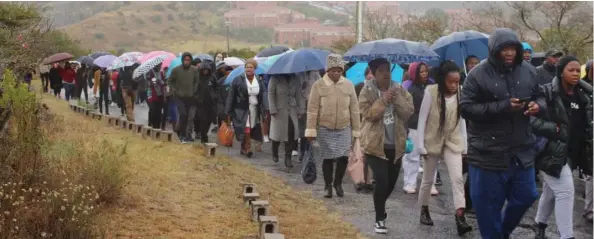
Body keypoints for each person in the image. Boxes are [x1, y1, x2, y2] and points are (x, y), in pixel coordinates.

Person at [460, 28, 543, 239]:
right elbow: (466, 108)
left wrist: (537, 106)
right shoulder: (477, 74)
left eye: (512, 49)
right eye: (503, 49)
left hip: (521, 149)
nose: (509, 53)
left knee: (527, 195)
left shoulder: (529, 71)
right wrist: (502, 107)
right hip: (488, 151)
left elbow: (542, 97)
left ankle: (502, 233)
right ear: (494, 50)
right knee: (487, 208)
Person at [531, 56, 592, 239]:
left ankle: (539, 225)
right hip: (551, 151)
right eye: (570, 70)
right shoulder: (547, 92)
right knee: (566, 191)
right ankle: (567, 236)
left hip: (574, 152)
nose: (575, 73)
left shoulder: (584, 95)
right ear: (561, 72)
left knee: (551, 191)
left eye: (577, 70)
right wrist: (553, 128)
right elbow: (531, 120)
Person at [415, 60, 472, 235]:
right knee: (427, 179)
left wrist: (465, 145)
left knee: (457, 179)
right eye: (451, 82)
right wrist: (420, 146)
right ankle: (424, 209)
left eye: (457, 82)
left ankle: (460, 217)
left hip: (452, 141)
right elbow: (422, 119)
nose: (455, 85)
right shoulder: (431, 92)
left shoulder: (461, 94)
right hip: (432, 140)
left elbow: (462, 120)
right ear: (442, 80)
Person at [358, 58, 413, 234]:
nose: (386, 74)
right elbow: (368, 114)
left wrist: (395, 98)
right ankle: (379, 218)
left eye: (387, 70)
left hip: (395, 145)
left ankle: (380, 206)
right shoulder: (367, 90)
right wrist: (383, 100)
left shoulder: (399, 88)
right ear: (373, 73)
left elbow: (407, 113)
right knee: (381, 182)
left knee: (390, 184)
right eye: (381, 71)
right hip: (375, 145)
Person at [305, 54, 361, 199]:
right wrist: (311, 129)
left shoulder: (348, 85)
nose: (336, 73)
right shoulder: (318, 85)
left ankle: (338, 183)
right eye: (333, 70)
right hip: (325, 127)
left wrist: (356, 130)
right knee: (328, 158)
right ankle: (328, 185)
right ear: (327, 70)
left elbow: (354, 109)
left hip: (344, 127)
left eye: (339, 70)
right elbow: (312, 109)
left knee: (343, 157)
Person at [402, 61, 438, 195]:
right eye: (421, 71)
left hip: (431, 126)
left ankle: (430, 184)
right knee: (412, 156)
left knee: (432, 155)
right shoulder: (408, 88)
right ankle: (409, 183)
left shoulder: (433, 86)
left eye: (425, 71)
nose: (424, 74)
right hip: (414, 126)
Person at [225, 59, 265, 157]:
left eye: (251, 67)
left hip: (254, 108)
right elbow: (231, 96)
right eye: (247, 67)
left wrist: (265, 107)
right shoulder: (238, 80)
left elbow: (263, 94)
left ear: (255, 69)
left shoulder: (259, 80)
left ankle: (243, 147)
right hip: (241, 109)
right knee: (246, 127)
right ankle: (248, 148)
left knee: (251, 127)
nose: (248, 69)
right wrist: (228, 110)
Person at [268, 74, 304, 168]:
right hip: (279, 110)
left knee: (291, 133)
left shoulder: (296, 78)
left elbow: (299, 95)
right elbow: (271, 94)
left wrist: (301, 109)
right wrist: (272, 108)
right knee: (278, 134)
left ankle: (288, 156)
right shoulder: (274, 78)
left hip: (292, 109)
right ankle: (274, 150)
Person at [169, 52, 199, 144]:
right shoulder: (176, 70)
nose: (186, 62)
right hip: (179, 97)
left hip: (190, 97)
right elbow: (170, 81)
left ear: (191, 61)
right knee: (183, 114)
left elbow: (196, 81)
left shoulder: (194, 70)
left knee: (188, 117)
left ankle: (181, 133)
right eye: (185, 60)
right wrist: (174, 90)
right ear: (182, 60)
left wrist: (194, 90)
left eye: (188, 60)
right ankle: (181, 135)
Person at [354, 66, 375, 192]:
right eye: (369, 73)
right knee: (360, 153)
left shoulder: (379, 89)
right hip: (361, 123)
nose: (371, 75)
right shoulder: (359, 87)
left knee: (371, 153)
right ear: (366, 74)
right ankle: (360, 179)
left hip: (373, 124)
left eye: (373, 73)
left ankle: (368, 179)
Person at [194, 61, 218, 143]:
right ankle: (203, 137)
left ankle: (204, 133)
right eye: (203, 70)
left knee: (209, 120)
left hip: (211, 103)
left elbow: (216, 88)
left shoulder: (212, 78)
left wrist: (215, 96)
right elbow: (194, 90)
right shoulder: (197, 78)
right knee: (203, 120)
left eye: (206, 70)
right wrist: (197, 98)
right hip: (200, 104)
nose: (205, 71)